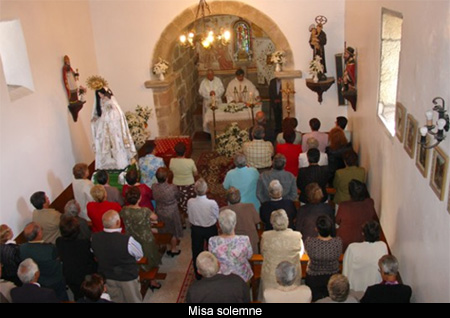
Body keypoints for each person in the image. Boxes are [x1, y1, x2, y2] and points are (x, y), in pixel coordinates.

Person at [91, 211, 143, 303]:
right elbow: (139, 254)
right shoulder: (127, 240)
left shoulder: (94, 238)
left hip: (108, 276)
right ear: (118, 222)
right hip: (128, 277)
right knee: (133, 300)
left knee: (115, 300)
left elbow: (94, 252)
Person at [89, 82, 137, 170]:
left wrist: (103, 120)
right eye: (98, 94)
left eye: (101, 93)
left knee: (117, 147)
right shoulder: (101, 102)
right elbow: (101, 116)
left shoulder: (112, 103)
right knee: (106, 148)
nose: (100, 95)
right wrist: (96, 120)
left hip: (115, 130)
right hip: (105, 131)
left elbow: (114, 116)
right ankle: (107, 164)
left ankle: (121, 164)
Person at [120, 186, 162, 280]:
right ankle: (152, 281)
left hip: (130, 239)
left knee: (134, 258)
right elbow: (155, 217)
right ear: (140, 198)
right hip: (145, 240)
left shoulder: (123, 210)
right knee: (149, 261)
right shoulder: (144, 211)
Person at [19, 223, 68, 301]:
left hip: (40, 281)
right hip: (55, 279)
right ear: (39, 234)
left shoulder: (22, 248)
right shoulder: (50, 249)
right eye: (41, 229)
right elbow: (58, 259)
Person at [261, 210, 304, 293]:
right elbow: (300, 255)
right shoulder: (297, 236)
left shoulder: (266, 236)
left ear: (272, 222)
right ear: (287, 221)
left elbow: (263, 254)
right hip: (291, 276)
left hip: (271, 276)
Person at [55, 216, 97, 301]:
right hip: (85, 275)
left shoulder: (59, 241)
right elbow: (91, 258)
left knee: (78, 296)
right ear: (77, 231)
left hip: (70, 275)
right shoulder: (84, 243)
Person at [186, 252, 250, 303]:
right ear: (218, 264)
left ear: (199, 272)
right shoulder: (237, 281)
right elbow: (247, 300)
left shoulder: (193, 291)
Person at [208, 209, 253, 282]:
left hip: (221, 276)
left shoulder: (212, 241)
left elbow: (213, 260)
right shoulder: (244, 239)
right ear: (235, 223)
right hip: (241, 276)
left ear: (219, 224)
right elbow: (249, 256)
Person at [305, 216, 342, 302]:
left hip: (313, 277)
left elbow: (308, 254)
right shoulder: (338, 242)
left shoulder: (310, 242)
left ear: (316, 229)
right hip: (333, 276)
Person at [343, 221, 388, 292]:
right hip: (375, 292)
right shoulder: (382, 246)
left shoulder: (352, 248)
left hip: (355, 292)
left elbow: (345, 271)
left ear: (363, 233)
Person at [187, 179, 219, 280]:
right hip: (210, 229)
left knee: (196, 251)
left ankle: (198, 275)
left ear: (195, 190)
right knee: (213, 250)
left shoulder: (190, 202)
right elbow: (217, 215)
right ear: (206, 190)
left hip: (196, 230)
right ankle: (213, 270)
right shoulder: (212, 203)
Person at [336, 180, 378, 251]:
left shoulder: (344, 205)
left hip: (345, 242)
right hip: (363, 240)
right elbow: (373, 217)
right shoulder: (369, 203)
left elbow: (337, 221)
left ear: (350, 193)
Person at [152, 167, 183, 256]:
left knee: (163, 229)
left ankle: (163, 245)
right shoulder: (172, 187)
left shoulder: (154, 186)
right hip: (171, 212)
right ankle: (173, 249)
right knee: (173, 231)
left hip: (160, 211)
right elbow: (178, 195)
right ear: (166, 178)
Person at [220, 187, 260, 253]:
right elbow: (257, 220)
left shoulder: (222, 211)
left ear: (227, 199)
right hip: (251, 242)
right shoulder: (250, 206)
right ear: (240, 197)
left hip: (231, 245)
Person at [170, 142, 198, 218]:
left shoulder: (172, 161)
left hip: (177, 187)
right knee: (190, 202)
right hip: (189, 187)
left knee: (179, 203)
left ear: (175, 152)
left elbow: (171, 172)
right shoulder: (190, 161)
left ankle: (182, 217)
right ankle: (191, 215)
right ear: (185, 152)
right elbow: (196, 174)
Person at [62, 55, 85, 122]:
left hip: (72, 81)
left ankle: (76, 100)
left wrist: (76, 74)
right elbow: (65, 76)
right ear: (65, 62)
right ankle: (73, 101)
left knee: (75, 90)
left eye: (69, 61)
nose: (68, 62)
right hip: (69, 82)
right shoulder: (65, 68)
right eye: (67, 61)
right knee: (72, 91)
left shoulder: (70, 68)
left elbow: (73, 73)